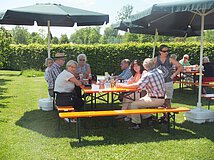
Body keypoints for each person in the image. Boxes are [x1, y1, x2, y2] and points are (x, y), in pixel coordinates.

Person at [116, 58, 166, 130]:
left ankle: (136, 124)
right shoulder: (159, 71)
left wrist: (122, 86)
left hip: (154, 99)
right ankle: (148, 118)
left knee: (133, 104)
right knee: (138, 101)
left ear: (144, 66)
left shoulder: (148, 75)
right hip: (160, 97)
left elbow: (137, 86)